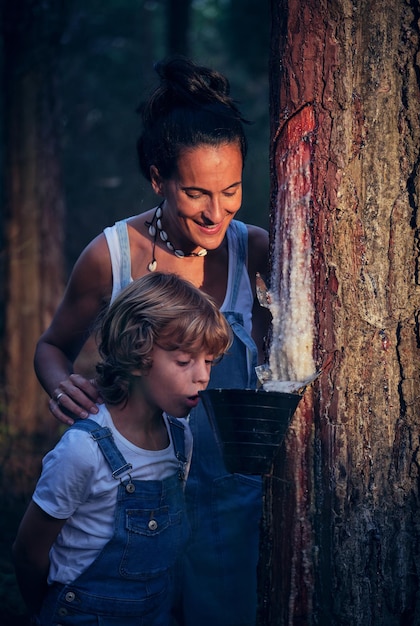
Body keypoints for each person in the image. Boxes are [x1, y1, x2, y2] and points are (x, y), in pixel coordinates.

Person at [33, 55, 271, 625]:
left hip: (229, 515)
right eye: (196, 194)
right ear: (158, 177)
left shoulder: (256, 251)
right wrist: (62, 384)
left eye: (232, 190)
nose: (218, 214)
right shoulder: (110, 256)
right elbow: (52, 347)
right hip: (124, 516)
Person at [13, 272, 232, 625]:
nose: (203, 376)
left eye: (208, 361)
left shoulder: (181, 439)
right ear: (136, 352)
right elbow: (27, 554)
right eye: (184, 361)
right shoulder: (83, 450)